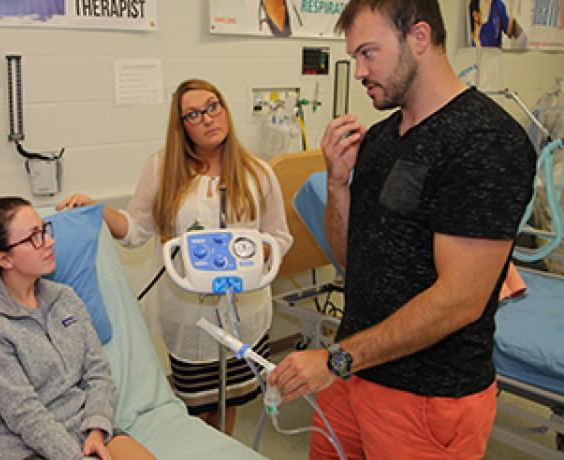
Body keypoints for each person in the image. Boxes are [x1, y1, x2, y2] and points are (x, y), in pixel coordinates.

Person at [268, 1, 536, 458]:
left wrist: (336, 359)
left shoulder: (485, 141)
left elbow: (460, 301)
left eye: (368, 53)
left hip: (426, 399)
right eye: (354, 57)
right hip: (354, 375)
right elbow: (352, 260)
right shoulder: (380, 139)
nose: (359, 71)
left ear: (419, 37)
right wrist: (337, 184)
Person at [58, 79, 293, 434]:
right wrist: (97, 210)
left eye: (213, 106)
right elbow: (135, 230)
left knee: (230, 401)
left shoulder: (258, 173)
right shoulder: (161, 168)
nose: (208, 118)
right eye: (193, 114)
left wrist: (248, 256)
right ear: (181, 126)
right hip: (188, 316)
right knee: (195, 410)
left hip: (245, 311)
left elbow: (279, 236)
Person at [0, 198, 155, 460]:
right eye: (34, 238)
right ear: (4, 258)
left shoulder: (64, 298)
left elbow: (98, 372)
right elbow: (25, 415)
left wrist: (96, 429)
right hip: (22, 445)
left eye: (44, 230)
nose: (49, 242)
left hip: (84, 426)